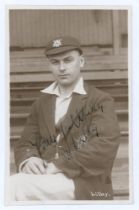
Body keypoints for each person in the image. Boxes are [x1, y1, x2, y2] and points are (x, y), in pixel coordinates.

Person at [10, 36, 120, 201]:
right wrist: (29, 159)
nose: (62, 68)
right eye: (55, 62)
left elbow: (104, 145)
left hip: (84, 184)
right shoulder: (41, 102)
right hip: (44, 178)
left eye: (68, 60)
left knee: (13, 186)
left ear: (81, 61)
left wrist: (58, 165)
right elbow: (25, 142)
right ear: (50, 66)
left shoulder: (100, 100)